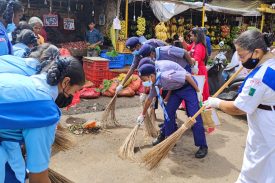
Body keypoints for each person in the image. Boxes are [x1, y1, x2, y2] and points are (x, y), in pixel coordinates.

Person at [0, 56, 85, 183]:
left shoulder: (27, 81)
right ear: (66, 82)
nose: (72, 96)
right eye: (74, 91)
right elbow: (38, 179)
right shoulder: (44, 111)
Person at [205, 30, 275, 182]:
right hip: (269, 116)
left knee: (255, 170)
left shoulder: (260, 77)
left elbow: (239, 108)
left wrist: (215, 102)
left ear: (257, 52)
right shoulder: (271, 62)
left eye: (242, 56)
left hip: (266, 127)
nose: (241, 62)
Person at [137, 59, 208, 158]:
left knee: (194, 116)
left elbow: (187, 76)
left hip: (189, 87)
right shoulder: (155, 83)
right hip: (176, 90)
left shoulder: (166, 76)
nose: (144, 83)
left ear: (151, 76)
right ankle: (170, 140)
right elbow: (149, 99)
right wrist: (142, 114)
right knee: (168, 113)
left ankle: (202, 146)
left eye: (144, 80)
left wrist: (198, 91)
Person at [180, 27, 210, 101]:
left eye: (192, 35)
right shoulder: (194, 43)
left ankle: (200, 106)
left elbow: (196, 60)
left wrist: (185, 57)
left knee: (199, 88)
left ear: (196, 36)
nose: (191, 37)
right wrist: (182, 41)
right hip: (195, 69)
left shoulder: (200, 46)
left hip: (199, 70)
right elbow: (188, 48)